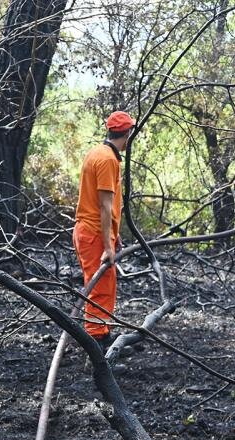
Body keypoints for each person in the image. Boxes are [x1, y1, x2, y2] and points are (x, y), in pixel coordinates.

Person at [73, 110, 135, 351]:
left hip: (91, 231)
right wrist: (107, 246)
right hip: (93, 234)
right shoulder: (108, 160)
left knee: (102, 285)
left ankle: (101, 334)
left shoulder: (98, 152)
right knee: (99, 288)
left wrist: (114, 234)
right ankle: (96, 345)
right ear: (127, 134)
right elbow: (105, 206)